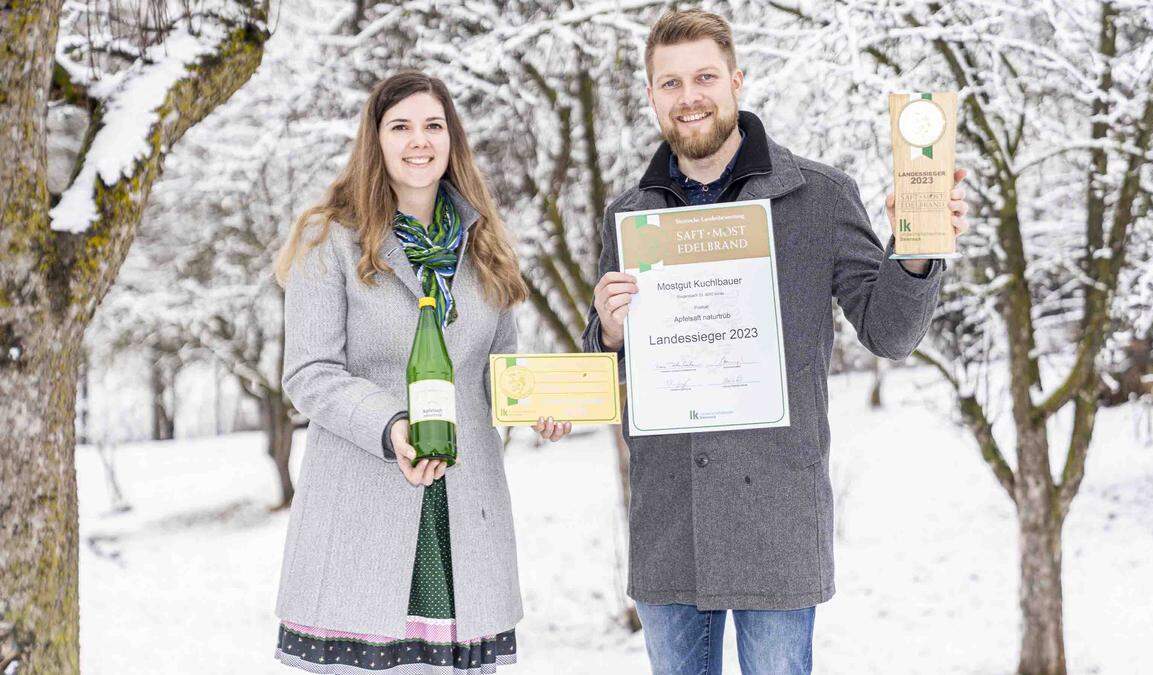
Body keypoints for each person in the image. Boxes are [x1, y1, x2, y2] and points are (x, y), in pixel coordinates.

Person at [582, 10, 970, 674]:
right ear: (651, 97)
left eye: (705, 76)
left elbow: (890, 332)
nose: (690, 96)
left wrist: (914, 253)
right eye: (670, 83)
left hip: (776, 524)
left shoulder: (818, 197)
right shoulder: (628, 216)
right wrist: (608, 331)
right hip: (671, 529)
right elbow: (606, 371)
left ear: (737, 80)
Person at [272, 69, 570, 675]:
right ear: (375, 140)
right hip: (364, 500)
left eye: (433, 125)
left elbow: (495, 369)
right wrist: (391, 427)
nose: (419, 141)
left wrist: (538, 399)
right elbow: (310, 371)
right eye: (400, 126)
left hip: (465, 509)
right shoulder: (328, 238)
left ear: (451, 140)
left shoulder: (484, 244)